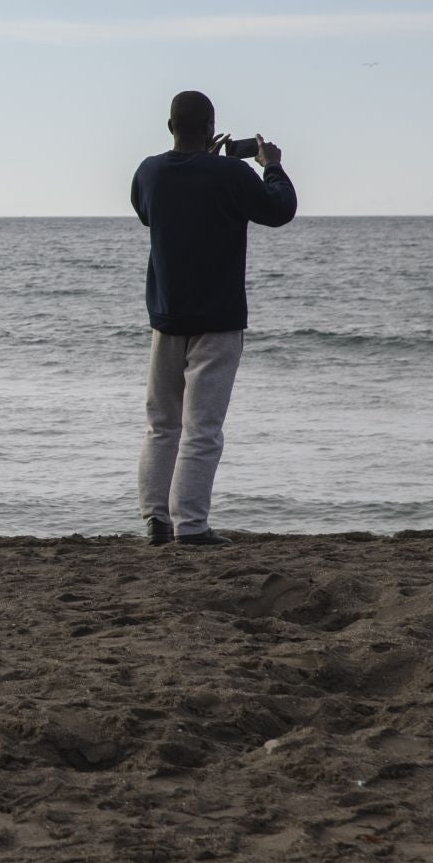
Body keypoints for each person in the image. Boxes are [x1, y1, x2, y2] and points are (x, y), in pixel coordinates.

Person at [130, 91, 296, 548]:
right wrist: (271, 164)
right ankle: (192, 526)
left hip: (166, 317)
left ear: (170, 127)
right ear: (210, 128)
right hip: (218, 318)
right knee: (201, 428)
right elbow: (279, 210)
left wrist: (202, 164)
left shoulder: (149, 171)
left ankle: (157, 522)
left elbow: (149, 214)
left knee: (162, 424)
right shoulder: (231, 172)